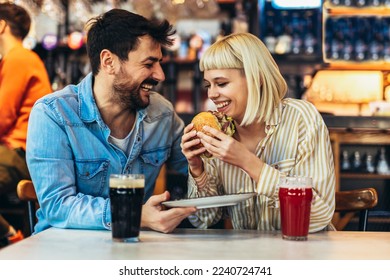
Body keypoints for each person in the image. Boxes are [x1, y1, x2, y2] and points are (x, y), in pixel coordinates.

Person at [26, 9, 196, 234]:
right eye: (148, 64)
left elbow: (196, 172)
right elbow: (58, 206)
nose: (160, 75)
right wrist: (132, 212)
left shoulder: (162, 114)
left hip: (132, 250)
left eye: (159, 63)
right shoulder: (54, 114)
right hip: (64, 252)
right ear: (109, 62)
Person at [181, 32, 335, 232]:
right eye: (208, 85)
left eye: (221, 83)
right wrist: (197, 169)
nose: (212, 94)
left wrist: (248, 162)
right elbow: (205, 219)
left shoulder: (300, 119)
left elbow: (319, 215)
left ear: (257, 79)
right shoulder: (216, 134)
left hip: (305, 253)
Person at [0, 2, 51, 245]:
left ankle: (10, 236)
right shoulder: (20, 59)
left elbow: (2, 116)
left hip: (20, 152)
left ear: (1, 26)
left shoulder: (18, 58)